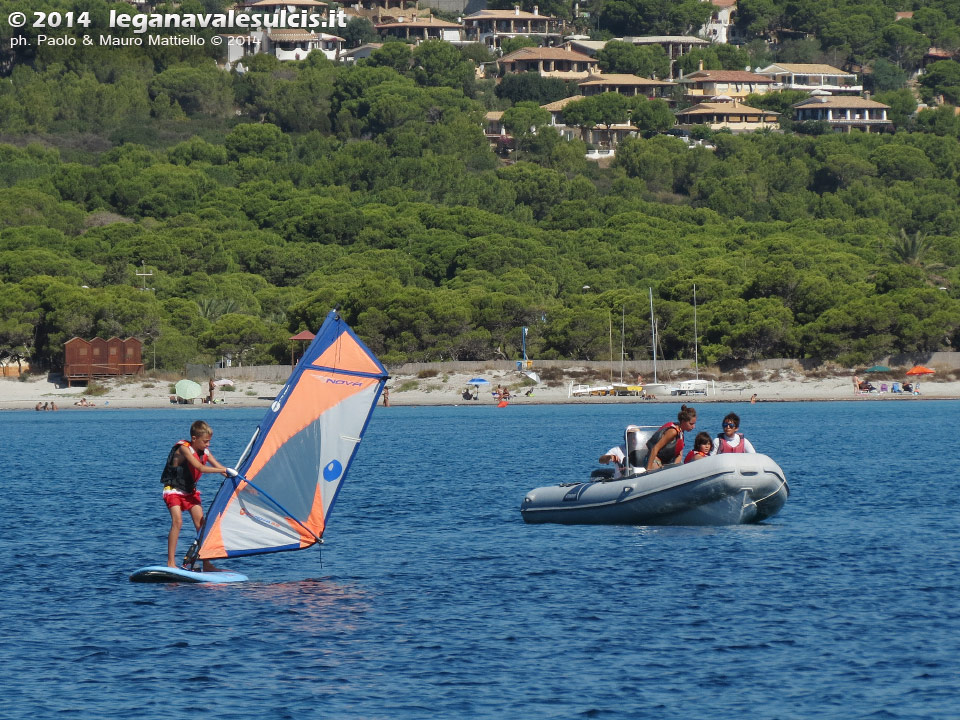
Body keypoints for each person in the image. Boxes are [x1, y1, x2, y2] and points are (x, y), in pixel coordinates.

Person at [161, 420, 227, 570]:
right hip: (174, 490)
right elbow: (200, 467)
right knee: (178, 522)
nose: (208, 445)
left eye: (209, 441)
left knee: (202, 526)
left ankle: (207, 563)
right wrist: (224, 470)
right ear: (194, 438)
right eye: (205, 442)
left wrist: (235, 476)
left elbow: (221, 469)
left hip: (190, 492)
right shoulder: (184, 449)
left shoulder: (205, 452)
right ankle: (171, 563)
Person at [645, 405, 697, 471]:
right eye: (691, 424)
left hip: (665, 462)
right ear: (683, 421)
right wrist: (648, 469)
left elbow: (679, 454)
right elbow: (655, 448)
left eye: (694, 424)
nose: (693, 427)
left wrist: (674, 468)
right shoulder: (673, 431)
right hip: (653, 459)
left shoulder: (681, 432)